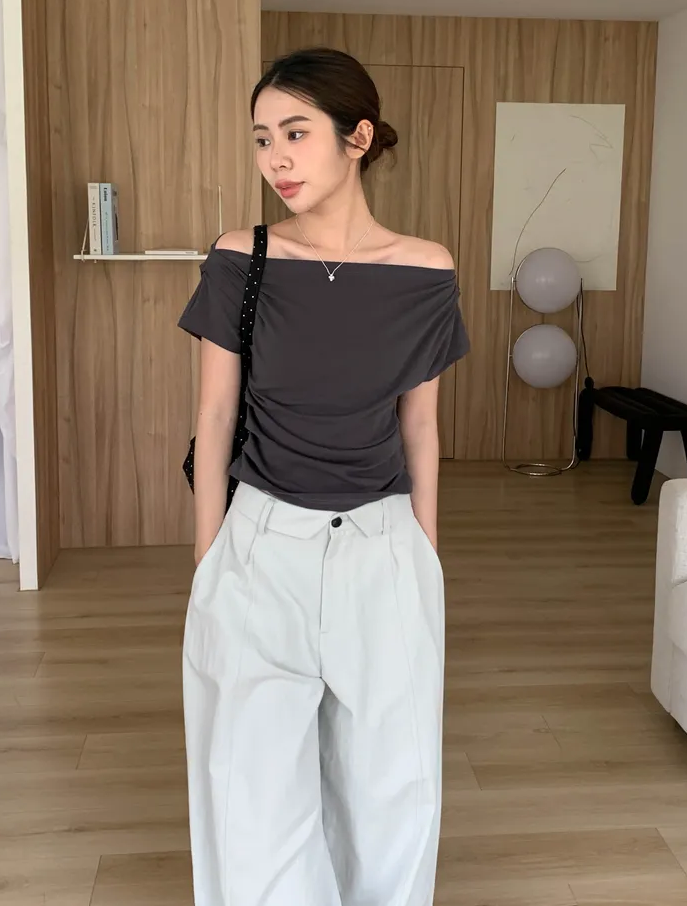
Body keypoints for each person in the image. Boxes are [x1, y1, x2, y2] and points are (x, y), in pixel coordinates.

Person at [178, 47, 470, 906]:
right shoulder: (242, 258)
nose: (275, 157)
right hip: (261, 546)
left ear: (359, 137)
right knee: (253, 792)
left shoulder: (426, 269)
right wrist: (209, 558)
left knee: (392, 790)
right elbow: (214, 416)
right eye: (262, 138)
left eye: (296, 133)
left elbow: (420, 423)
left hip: (384, 549)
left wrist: (424, 556)